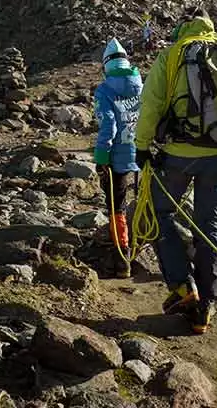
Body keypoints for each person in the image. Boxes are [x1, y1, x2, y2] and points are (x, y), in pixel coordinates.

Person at [134, 8, 217, 333]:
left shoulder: (173, 54)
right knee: (209, 224)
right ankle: (207, 305)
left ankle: (183, 286)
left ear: (182, 28)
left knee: (158, 213)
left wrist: (142, 147)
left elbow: (152, 104)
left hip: (177, 152)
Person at [93, 38, 143, 279]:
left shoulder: (104, 90)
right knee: (146, 203)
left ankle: (122, 259)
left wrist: (101, 156)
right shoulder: (140, 86)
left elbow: (109, 125)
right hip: (142, 153)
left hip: (116, 159)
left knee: (117, 208)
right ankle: (143, 246)